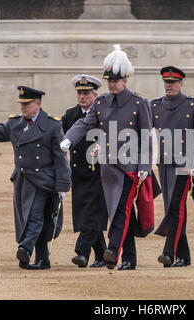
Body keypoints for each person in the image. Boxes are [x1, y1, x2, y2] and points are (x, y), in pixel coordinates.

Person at [60, 44, 159, 270]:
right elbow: (86, 123)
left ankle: (113, 249)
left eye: (116, 80)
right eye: (110, 81)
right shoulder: (101, 102)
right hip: (108, 168)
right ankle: (130, 259)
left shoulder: (138, 103)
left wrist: (145, 165)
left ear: (125, 80)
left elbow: (146, 137)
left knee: (120, 209)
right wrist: (69, 138)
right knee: (124, 212)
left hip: (131, 167)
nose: (112, 84)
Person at [0, 86, 71, 270]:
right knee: (33, 218)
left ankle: (25, 248)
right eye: (21, 104)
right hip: (23, 180)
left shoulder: (52, 125)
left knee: (35, 216)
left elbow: (60, 157)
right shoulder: (15, 123)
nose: (23, 108)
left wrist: (63, 185)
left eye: (27, 104)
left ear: (38, 104)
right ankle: (43, 259)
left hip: (43, 180)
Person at [152, 66, 194, 268]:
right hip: (164, 164)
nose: (169, 86)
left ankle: (168, 253)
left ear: (181, 83)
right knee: (171, 208)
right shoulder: (155, 106)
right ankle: (183, 256)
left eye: (173, 82)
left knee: (176, 206)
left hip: (185, 165)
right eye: (166, 82)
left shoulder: (193, 105)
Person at [62, 75, 108, 268]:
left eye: (86, 93)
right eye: (79, 93)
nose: (82, 96)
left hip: (99, 172)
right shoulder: (70, 115)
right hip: (78, 172)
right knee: (87, 213)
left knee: (93, 213)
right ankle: (102, 255)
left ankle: (82, 252)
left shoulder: (104, 113)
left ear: (95, 95)